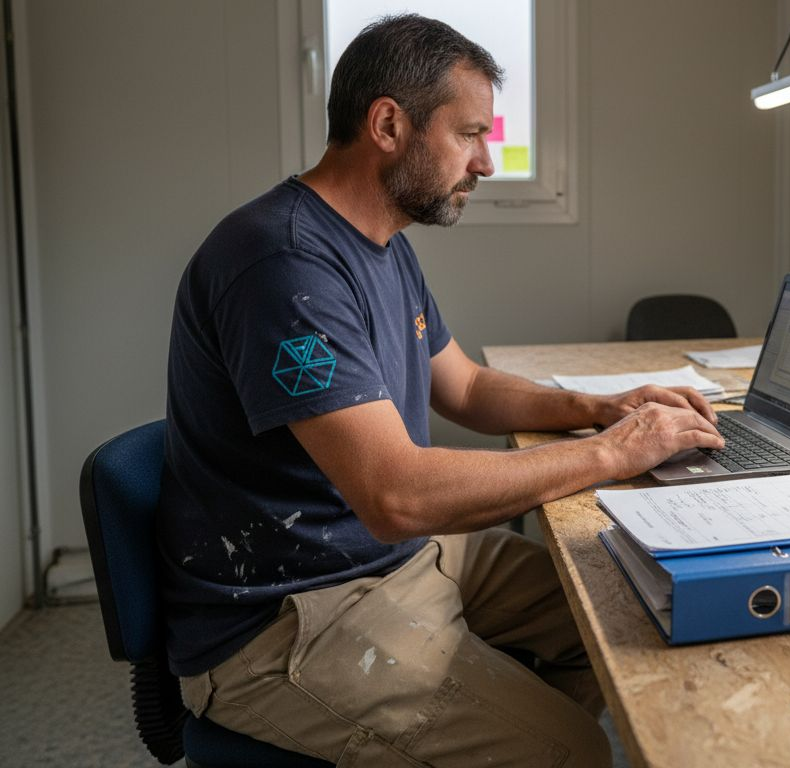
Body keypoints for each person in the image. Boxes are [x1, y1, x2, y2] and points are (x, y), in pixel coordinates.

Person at [158, 14, 723, 766]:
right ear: (389, 124)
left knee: (627, 610)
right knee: (572, 752)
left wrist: (600, 410)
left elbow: (463, 385)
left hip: (386, 561)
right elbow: (395, 496)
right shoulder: (282, 264)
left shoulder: (382, 245)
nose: (484, 163)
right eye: (469, 134)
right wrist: (615, 453)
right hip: (286, 617)